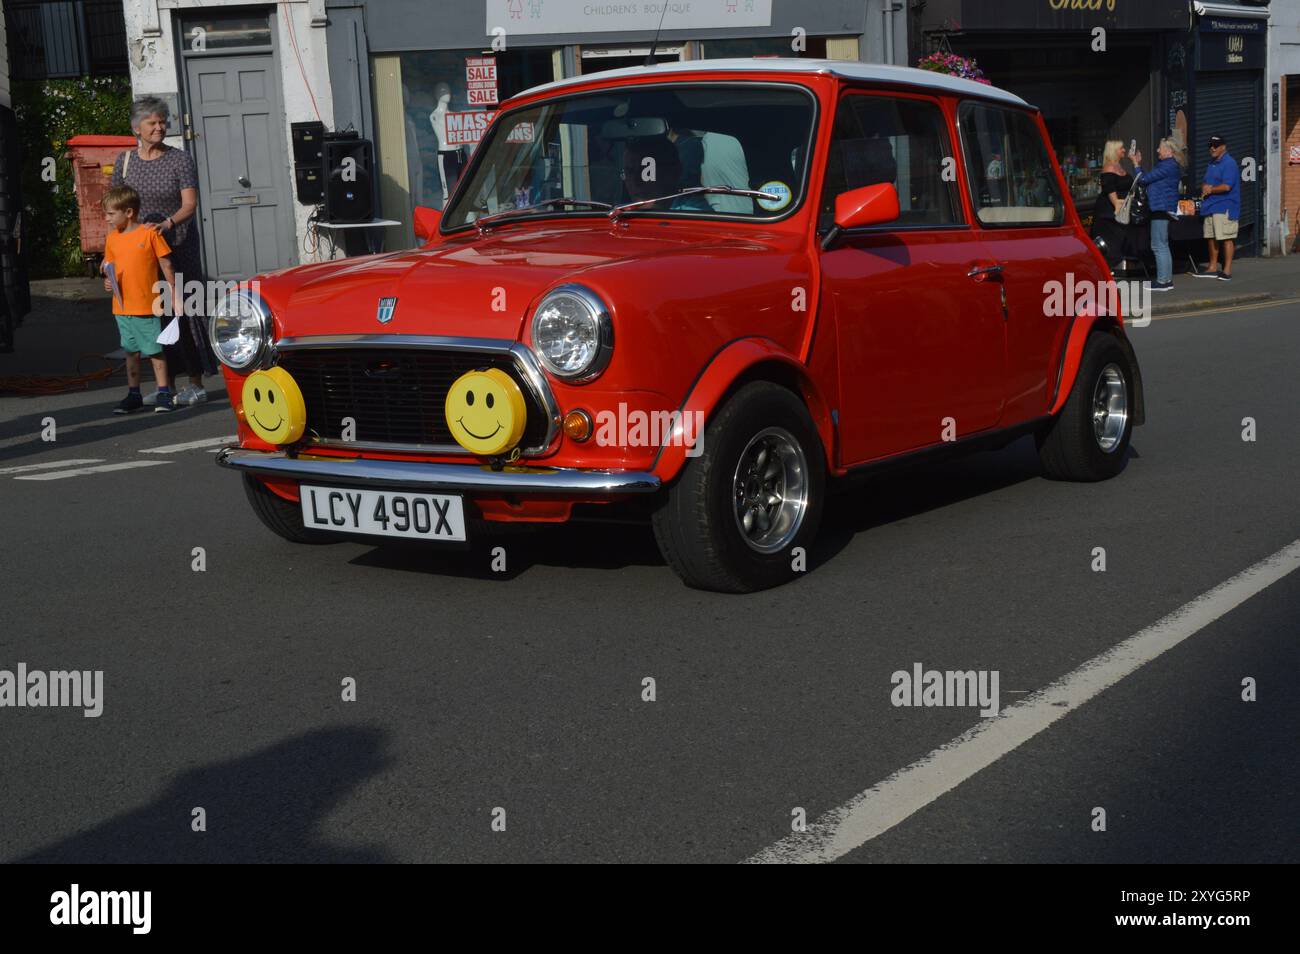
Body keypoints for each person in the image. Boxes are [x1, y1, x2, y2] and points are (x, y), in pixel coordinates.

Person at [112, 96, 216, 406]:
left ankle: (195, 382)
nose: (160, 127)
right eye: (152, 123)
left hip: (178, 246)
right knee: (152, 315)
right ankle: (164, 386)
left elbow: (190, 204)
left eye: (162, 122)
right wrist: (113, 254)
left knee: (183, 314)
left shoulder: (179, 159)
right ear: (136, 128)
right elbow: (116, 208)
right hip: (139, 253)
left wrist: (168, 223)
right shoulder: (125, 162)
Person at [101, 186, 182, 414]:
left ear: (128, 212)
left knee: (154, 350)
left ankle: (164, 392)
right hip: (121, 307)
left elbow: (166, 265)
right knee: (131, 351)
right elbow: (109, 267)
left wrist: (175, 294)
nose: (107, 219)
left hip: (147, 305)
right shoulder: (112, 239)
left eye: (110, 214)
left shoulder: (149, 234)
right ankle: (134, 394)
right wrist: (107, 281)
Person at [1135, 138, 1184, 292]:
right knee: (1162, 244)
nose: (1157, 150)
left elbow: (1142, 180)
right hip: (1162, 207)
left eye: (1160, 148)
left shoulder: (1168, 166)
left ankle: (1163, 281)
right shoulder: (1168, 165)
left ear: (1169, 151)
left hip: (1161, 208)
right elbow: (1147, 179)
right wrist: (1139, 165)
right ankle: (1166, 279)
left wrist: (1136, 164)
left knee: (1158, 245)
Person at [1090, 140, 1146, 270]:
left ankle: (1118, 264)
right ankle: (1108, 267)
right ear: (1114, 151)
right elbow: (1109, 188)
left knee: (1123, 237)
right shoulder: (1109, 167)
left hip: (1122, 209)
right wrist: (1116, 204)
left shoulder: (1119, 166)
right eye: (1121, 148)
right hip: (1109, 211)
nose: (1124, 150)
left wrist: (1136, 163)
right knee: (1113, 238)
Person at [1194, 135, 1240, 281]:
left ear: (1223, 147)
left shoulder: (1229, 163)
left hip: (1225, 205)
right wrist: (1205, 187)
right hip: (1210, 206)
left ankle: (1226, 270)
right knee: (1211, 237)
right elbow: (1206, 183)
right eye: (1210, 145)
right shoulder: (1212, 163)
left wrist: (1210, 189)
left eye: (1215, 145)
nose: (1212, 148)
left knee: (1226, 237)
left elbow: (1227, 186)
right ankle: (1212, 267)